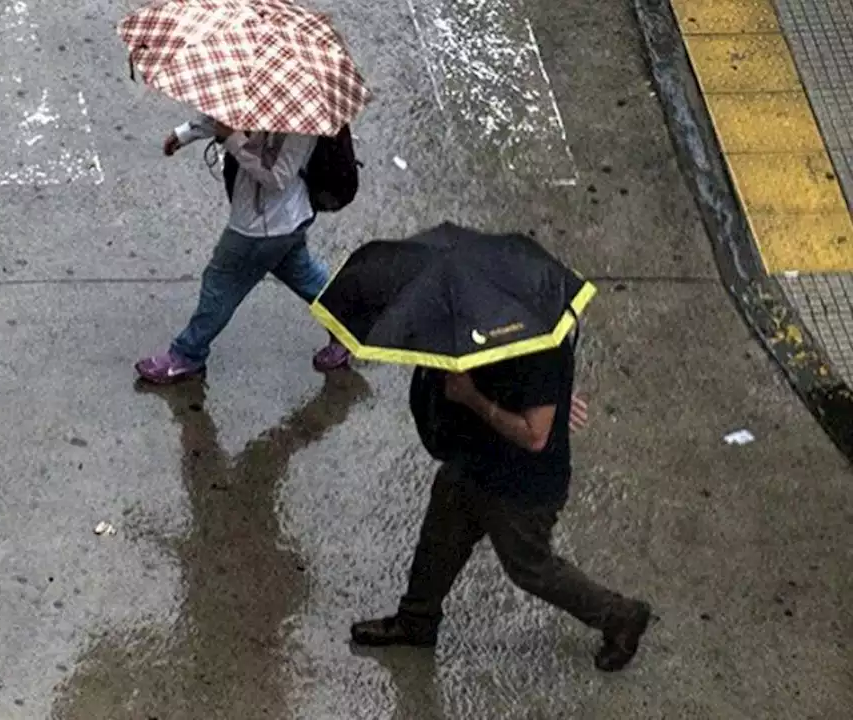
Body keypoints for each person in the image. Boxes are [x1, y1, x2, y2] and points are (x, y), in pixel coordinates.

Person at [351, 336, 653, 672]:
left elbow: (534, 434)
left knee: (529, 566)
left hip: (520, 485)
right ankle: (416, 619)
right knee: (440, 536)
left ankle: (619, 616)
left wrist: (472, 398)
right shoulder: (476, 321)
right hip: (472, 458)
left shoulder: (542, 349)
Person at [135, 115, 350, 384]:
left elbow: (277, 176)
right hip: (283, 220)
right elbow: (225, 111)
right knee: (302, 274)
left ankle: (186, 355)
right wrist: (185, 134)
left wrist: (233, 140)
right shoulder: (262, 95)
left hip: (264, 227)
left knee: (220, 283)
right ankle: (347, 325)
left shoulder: (300, 122)